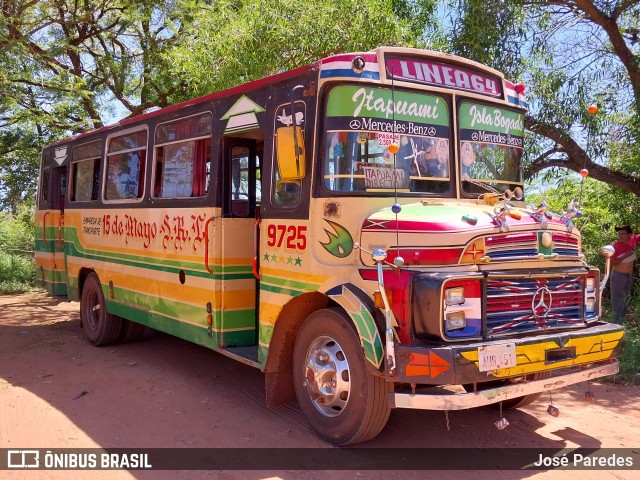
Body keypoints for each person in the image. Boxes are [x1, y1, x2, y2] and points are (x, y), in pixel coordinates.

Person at [610, 225, 640, 323]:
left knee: (626, 297)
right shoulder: (615, 247)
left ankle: (622, 320)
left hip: (628, 275)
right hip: (618, 275)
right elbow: (611, 263)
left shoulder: (633, 239)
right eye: (619, 234)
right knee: (618, 299)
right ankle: (616, 322)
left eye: (623, 234)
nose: (620, 236)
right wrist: (626, 254)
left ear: (629, 234)